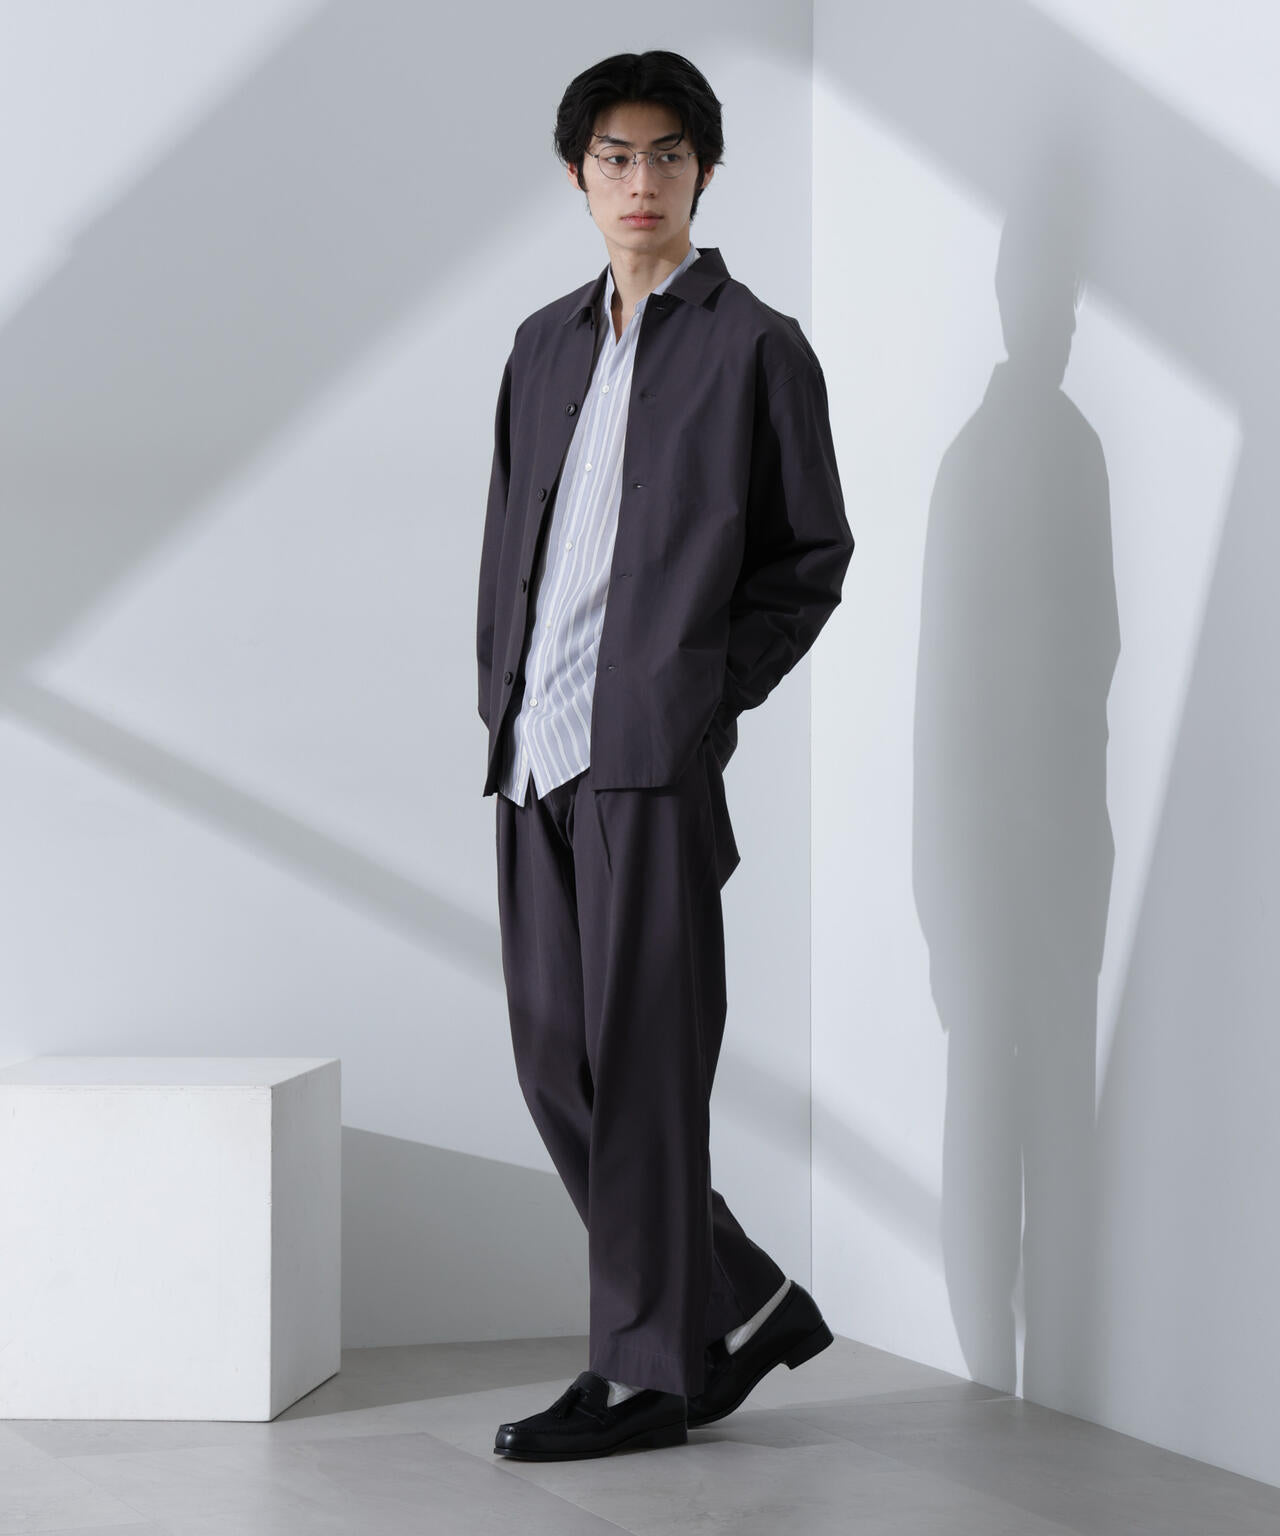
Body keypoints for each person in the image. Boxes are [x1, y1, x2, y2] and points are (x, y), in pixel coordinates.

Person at [475, 50, 854, 1461]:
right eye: (617, 157)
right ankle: (738, 1303)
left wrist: (698, 701)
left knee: (642, 1072)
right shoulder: (542, 345)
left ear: (704, 171)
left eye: (670, 155)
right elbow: (511, 533)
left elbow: (809, 559)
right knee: (557, 1063)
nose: (643, 181)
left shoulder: (757, 346)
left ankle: (644, 1375)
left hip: (649, 762)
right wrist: (500, 692)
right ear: (579, 176)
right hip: (533, 755)